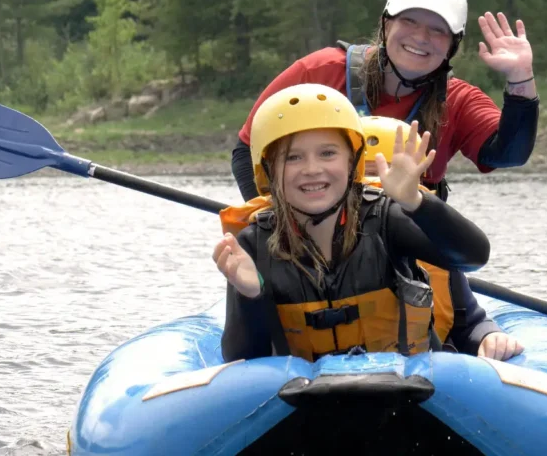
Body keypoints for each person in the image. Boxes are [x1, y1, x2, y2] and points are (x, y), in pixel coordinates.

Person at [213, 84, 522, 363]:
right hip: (307, 407)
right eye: (293, 158)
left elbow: (473, 256)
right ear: (268, 170)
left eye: (328, 153)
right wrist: (250, 295)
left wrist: (416, 202)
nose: (312, 169)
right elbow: (242, 361)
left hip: (406, 401)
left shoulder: (387, 220)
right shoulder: (254, 243)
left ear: (352, 162)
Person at [231, 0, 539, 203]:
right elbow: (247, 149)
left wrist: (520, 78)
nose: (420, 37)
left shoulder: (458, 100)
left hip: (404, 250)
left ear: (452, 46)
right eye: (409, 22)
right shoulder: (319, 71)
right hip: (311, 239)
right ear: (386, 24)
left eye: (437, 30)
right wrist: (271, 222)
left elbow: (509, 154)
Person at [361, 115, 522, 359]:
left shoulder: (432, 238)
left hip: (428, 372)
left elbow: (468, 322)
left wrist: (488, 336)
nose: (377, 185)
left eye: (391, 173)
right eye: (366, 174)